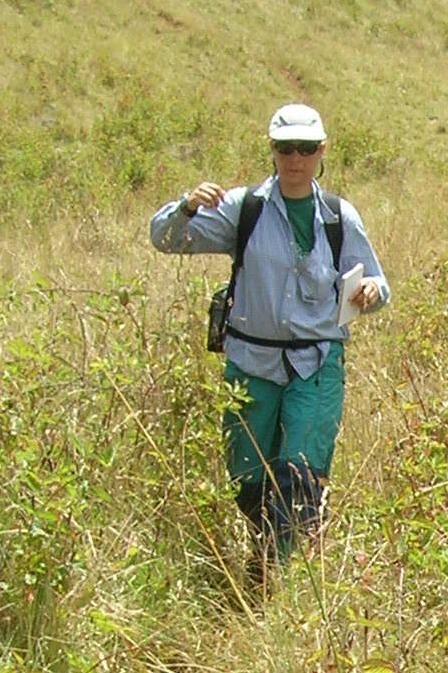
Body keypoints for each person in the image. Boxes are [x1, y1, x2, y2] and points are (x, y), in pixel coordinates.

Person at [150, 103, 389, 571]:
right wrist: (186, 206)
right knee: (245, 472)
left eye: (305, 149)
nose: (295, 159)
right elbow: (166, 239)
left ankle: (272, 575)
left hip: (316, 363)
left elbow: (380, 285)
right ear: (272, 150)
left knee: (301, 472)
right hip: (251, 361)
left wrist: (370, 290)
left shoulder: (340, 216)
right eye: (285, 148)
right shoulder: (245, 209)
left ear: (322, 151)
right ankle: (268, 543)